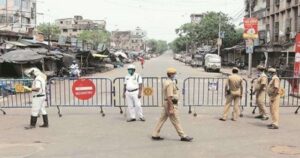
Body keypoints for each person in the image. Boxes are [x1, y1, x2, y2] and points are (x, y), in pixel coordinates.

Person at [152, 68, 193, 142]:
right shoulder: (170, 83)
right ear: (170, 74)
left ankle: (155, 134)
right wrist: (171, 108)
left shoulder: (168, 81)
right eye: (174, 73)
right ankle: (183, 135)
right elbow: (169, 96)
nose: (175, 75)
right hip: (170, 103)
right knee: (176, 120)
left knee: (161, 119)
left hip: (167, 103)